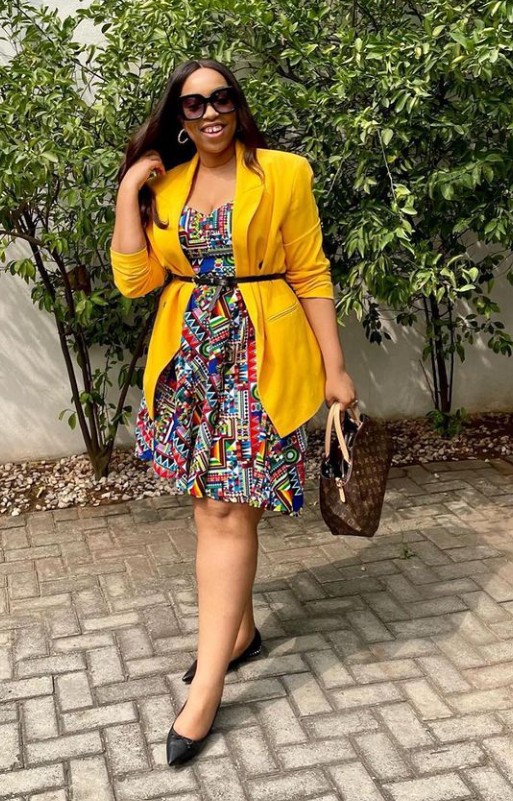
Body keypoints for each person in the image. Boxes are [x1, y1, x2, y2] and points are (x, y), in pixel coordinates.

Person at [110, 58, 357, 767]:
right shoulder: (168, 185)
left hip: (258, 356)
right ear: (179, 118)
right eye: (193, 104)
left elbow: (309, 270)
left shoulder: (282, 173)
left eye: (220, 98)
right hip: (189, 359)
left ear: (237, 106)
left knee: (225, 508)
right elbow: (136, 281)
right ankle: (241, 632)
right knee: (211, 508)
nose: (210, 112)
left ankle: (208, 684)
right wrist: (129, 192)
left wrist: (335, 368)